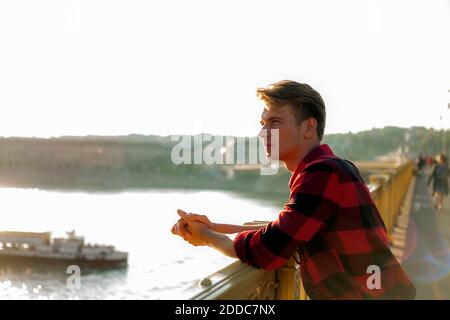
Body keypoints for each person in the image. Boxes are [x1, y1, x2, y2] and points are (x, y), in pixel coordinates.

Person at [171, 80, 416, 300]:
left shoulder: (322, 174)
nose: (262, 133)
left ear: (309, 128)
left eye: (274, 123)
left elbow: (269, 248)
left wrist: (208, 238)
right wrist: (212, 226)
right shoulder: (331, 168)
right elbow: (291, 229)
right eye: (262, 124)